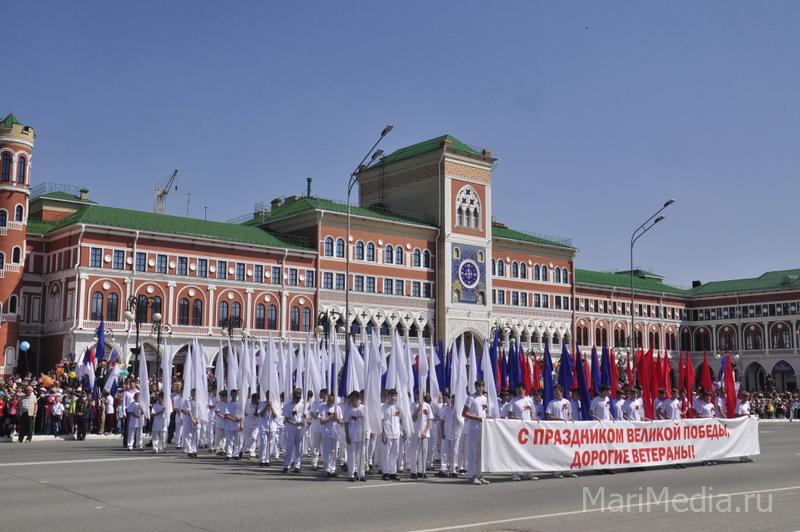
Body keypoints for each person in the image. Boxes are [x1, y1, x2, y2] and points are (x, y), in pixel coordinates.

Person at [545, 385, 578, 478]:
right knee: (557, 450)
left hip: (566, 430)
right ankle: (557, 471)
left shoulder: (567, 402)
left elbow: (569, 414)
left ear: (561, 392)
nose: (555, 392)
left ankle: (567, 470)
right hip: (556, 430)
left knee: (567, 449)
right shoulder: (552, 403)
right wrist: (559, 419)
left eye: (557, 390)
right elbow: (548, 415)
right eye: (554, 391)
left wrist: (570, 420)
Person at [507, 383, 538, 481]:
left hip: (528, 429)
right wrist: (515, 418)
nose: (519, 392)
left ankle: (528, 472)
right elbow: (509, 415)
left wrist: (534, 422)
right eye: (517, 390)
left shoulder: (529, 400)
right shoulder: (513, 401)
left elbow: (533, 414)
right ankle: (515, 474)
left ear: (525, 390)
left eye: (521, 390)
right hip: (518, 429)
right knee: (517, 451)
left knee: (529, 451)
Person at [462, 380, 489, 486]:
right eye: (477, 386)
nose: (478, 388)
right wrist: (477, 418)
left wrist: (489, 418)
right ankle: (471, 476)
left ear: (483, 387)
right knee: (473, 453)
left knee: (480, 453)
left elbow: (484, 413)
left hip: (482, 428)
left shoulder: (485, 399)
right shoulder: (471, 398)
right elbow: (464, 413)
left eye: (480, 386)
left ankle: (479, 475)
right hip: (473, 428)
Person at [380, 389, 403, 481]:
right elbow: (381, 421)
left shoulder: (398, 408)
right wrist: (383, 434)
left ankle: (393, 472)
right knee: (386, 454)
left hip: (396, 434)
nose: (393, 397)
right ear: (388, 397)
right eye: (391, 396)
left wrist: (402, 431)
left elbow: (400, 421)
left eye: (394, 395)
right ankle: (385, 472)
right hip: (387, 434)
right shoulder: (383, 407)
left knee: (395, 454)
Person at [409, 393, 433, 480]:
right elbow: (413, 418)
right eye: (418, 394)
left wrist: (425, 431)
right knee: (414, 452)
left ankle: (421, 471)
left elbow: (430, 420)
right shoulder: (412, 405)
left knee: (423, 453)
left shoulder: (427, 406)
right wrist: (418, 409)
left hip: (425, 433)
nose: (419, 396)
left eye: (421, 394)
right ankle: (413, 471)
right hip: (415, 432)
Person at [281, 388, 305, 473]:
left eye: (299, 398)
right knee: (289, 447)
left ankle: (297, 466)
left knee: (298, 448)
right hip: (291, 429)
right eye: (297, 398)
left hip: (299, 429)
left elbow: (304, 416)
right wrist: (295, 424)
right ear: (294, 398)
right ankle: (286, 465)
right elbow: (286, 419)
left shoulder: (302, 405)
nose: (298, 400)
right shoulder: (288, 406)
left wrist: (305, 419)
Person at [345, 391, 367, 482]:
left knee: (361, 456)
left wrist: (368, 434)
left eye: (353, 398)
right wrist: (347, 435)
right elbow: (346, 424)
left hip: (362, 436)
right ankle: (351, 474)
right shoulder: (349, 410)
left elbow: (368, 423)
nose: (352, 400)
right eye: (351, 399)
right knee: (352, 456)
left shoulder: (364, 409)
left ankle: (361, 473)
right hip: (352, 436)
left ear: (358, 398)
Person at [319, 392, 342, 477]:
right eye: (329, 399)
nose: (330, 401)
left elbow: (341, 422)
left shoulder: (338, 408)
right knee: (326, 451)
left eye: (332, 400)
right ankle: (326, 469)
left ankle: (332, 469)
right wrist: (331, 416)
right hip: (326, 432)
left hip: (335, 432)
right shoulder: (323, 407)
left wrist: (337, 418)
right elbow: (322, 421)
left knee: (334, 451)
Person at [257, 392, 278, 466]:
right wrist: (266, 406)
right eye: (267, 395)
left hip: (272, 427)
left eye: (270, 396)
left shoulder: (276, 403)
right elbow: (261, 414)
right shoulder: (261, 403)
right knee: (263, 443)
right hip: (263, 426)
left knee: (270, 444)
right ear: (265, 396)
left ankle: (267, 459)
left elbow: (275, 416)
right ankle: (262, 460)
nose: (268, 397)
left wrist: (271, 406)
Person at [225, 389, 243, 461]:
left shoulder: (240, 404)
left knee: (237, 440)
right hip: (230, 424)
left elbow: (242, 416)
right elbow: (226, 415)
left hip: (238, 425)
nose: (234, 395)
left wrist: (241, 423)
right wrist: (234, 419)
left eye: (236, 394)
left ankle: (236, 454)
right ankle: (229, 454)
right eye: (233, 394)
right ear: (231, 395)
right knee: (229, 440)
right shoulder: (228, 404)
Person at [242, 393, 260, 460]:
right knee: (248, 439)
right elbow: (253, 414)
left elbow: (258, 414)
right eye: (253, 399)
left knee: (253, 438)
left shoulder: (260, 405)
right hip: (248, 424)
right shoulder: (249, 405)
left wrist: (258, 405)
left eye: (256, 399)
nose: (254, 400)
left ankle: (242, 450)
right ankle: (252, 453)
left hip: (256, 425)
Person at [182, 389, 199, 458]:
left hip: (196, 420)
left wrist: (198, 419)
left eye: (194, 393)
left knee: (196, 436)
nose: (193, 394)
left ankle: (194, 450)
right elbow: (186, 410)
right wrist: (192, 419)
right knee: (188, 435)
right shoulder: (187, 400)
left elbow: (200, 411)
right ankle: (189, 451)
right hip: (188, 420)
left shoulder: (198, 401)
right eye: (192, 393)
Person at [213, 390, 228, 455]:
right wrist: (223, 417)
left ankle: (223, 449)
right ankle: (218, 449)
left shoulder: (228, 402)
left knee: (224, 436)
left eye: (221, 396)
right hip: (219, 421)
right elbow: (216, 412)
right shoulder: (219, 403)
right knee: (218, 436)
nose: (220, 397)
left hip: (227, 422)